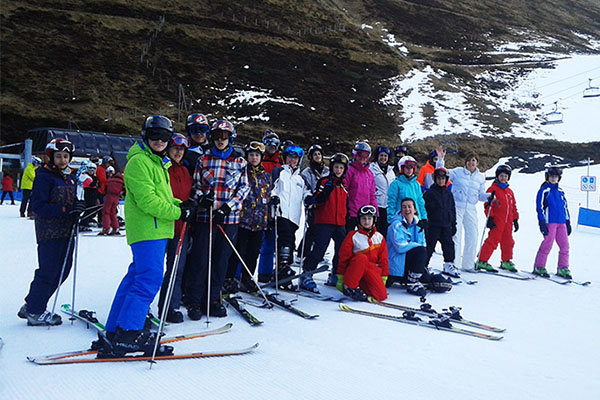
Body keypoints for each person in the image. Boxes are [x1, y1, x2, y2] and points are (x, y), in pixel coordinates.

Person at [101, 115, 188, 357]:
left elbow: (161, 196)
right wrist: (179, 211)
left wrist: (183, 202)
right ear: (145, 136)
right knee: (149, 279)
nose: (159, 141)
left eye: (164, 137)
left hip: (154, 228)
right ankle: (129, 333)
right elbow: (148, 201)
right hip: (149, 229)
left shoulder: (157, 162)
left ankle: (115, 329)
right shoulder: (140, 162)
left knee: (135, 277)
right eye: (154, 136)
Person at [186, 120, 249, 320]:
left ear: (230, 137)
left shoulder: (239, 162)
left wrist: (229, 207)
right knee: (201, 259)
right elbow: (196, 186)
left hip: (228, 219)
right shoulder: (203, 159)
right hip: (207, 218)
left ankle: (213, 299)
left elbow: (244, 188)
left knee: (221, 261)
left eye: (224, 136)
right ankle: (195, 301)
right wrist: (202, 199)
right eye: (216, 136)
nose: (220, 140)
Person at [18, 138, 83, 326]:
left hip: (67, 231)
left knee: (63, 271)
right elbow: (38, 206)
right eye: (59, 156)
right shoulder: (44, 176)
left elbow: (73, 200)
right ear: (51, 157)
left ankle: (32, 303)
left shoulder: (69, 176)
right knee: (49, 271)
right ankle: (36, 310)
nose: (63, 160)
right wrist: (65, 210)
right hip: (49, 232)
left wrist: (79, 208)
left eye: (66, 156)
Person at [224, 141, 271, 293]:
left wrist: (269, 217)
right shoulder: (241, 172)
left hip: (259, 222)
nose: (254, 158)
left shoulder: (266, 176)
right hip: (243, 220)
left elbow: (268, 196)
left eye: (257, 155)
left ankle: (247, 278)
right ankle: (229, 278)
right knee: (238, 251)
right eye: (251, 155)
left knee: (253, 253)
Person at [157, 133, 193, 323]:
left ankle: (170, 306)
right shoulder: (162, 168)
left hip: (181, 227)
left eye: (181, 149)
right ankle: (141, 307)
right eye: (175, 148)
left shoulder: (185, 171)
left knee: (175, 270)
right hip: (161, 226)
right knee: (152, 271)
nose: (178, 152)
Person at [434, 150, 488, 276]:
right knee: (456, 235)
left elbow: (480, 195)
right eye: (469, 161)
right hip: (456, 206)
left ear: (477, 163)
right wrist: (440, 160)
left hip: (470, 208)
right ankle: (455, 263)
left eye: (473, 161)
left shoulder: (480, 177)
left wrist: (489, 197)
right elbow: (442, 173)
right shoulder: (458, 172)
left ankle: (468, 264)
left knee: (473, 235)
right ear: (465, 163)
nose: (471, 163)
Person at [301, 153, 349, 292]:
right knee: (320, 249)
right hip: (324, 221)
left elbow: (346, 203)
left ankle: (335, 273)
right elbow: (317, 199)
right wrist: (325, 191)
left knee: (341, 250)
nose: (338, 170)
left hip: (339, 222)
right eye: (336, 167)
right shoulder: (324, 181)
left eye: (341, 168)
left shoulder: (344, 185)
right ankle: (307, 273)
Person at [268, 143, 311, 289]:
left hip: (294, 215)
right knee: (286, 238)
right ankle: (283, 267)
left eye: (295, 158)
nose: (292, 160)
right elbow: (272, 188)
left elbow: (307, 192)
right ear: (285, 158)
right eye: (290, 157)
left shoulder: (301, 178)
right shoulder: (279, 172)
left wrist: (309, 198)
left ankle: (281, 274)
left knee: (290, 241)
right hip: (281, 212)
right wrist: (273, 197)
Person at [336, 205, 389, 301]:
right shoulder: (353, 236)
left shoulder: (379, 237)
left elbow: (383, 260)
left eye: (369, 218)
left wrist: (383, 277)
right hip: (354, 271)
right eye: (363, 218)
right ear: (359, 220)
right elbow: (343, 258)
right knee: (362, 258)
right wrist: (340, 277)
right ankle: (350, 287)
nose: (366, 221)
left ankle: (362, 290)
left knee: (381, 296)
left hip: (370, 270)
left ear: (374, 220)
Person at [475, 165, 519, 272]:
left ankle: (506, 260)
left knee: (508, 241)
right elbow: (487, 205)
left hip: (508, 222)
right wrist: (490, 217)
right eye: (501, 176)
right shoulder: (493, 189)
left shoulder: (509, 192)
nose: (503, 178)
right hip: (497, 221)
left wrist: (515, 219)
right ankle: (482, 260)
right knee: (493, 240)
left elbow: (513, 206)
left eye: (505, 176)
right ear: (497, 176)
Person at [533, 166, 572, 279]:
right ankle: (539, 266)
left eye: (556, 177)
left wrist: (568, 221)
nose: (553, 179)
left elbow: (565, 207)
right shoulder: (544, 190)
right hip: (550, 222)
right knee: (547, 244)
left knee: (565, 246)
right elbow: (539, 207)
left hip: (561, 222)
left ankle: (563, 267)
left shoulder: (561, 191)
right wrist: (541, 221)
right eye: (551, 176)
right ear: (547, 177)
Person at [256, 129, 282, 282]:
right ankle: (239, 275)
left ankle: (264, 273)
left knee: (270, 242)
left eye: (275, 143)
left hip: (274, 204)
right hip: (258, 202)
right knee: (251, 241)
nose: (271, 146)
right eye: (268, 143)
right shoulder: (258, 158)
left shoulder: (281, 161)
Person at [423, 168, 457, 274]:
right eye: (439, 178)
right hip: (433, 225)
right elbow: (424, 209)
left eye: (443, 178)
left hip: (446, 224)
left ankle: (448, 264)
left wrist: (453, 223)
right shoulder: (429, 193)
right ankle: (423, 265)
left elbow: (452, 208)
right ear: (435, 179)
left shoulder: (448, 193)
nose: (441, 181)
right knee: (429, 246)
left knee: (449, 245)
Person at [299, 144, 329, 259]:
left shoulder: (327, 171)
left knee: (321, 230)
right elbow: (304, 186)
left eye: (319, 154)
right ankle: (303, 252)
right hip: (312, 203)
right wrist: (309, 197)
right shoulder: (307, 172)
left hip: (324, 204)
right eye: (315, 154)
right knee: (312, 228)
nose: (317, 156)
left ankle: (316, 252)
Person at [387, 156, 428, 231]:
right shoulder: (396, 184)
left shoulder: (416, 184)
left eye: (411, 168)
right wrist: (390, 219)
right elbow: (391, 203)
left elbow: (420, 202)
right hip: (401, 220)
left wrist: (423, 217)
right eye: (407, 168)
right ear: (402, 168)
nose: (409, 170)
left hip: (415, 219)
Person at [345, 141, 377, 232]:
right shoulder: (350, 170)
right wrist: (346, 210)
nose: (362, 158)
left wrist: (375, 212)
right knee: (348, 239)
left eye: (365, 155)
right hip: (351, 213)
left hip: (365, 214)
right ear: (355, 155)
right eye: (360, 155)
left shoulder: (369, 174)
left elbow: (372, 195)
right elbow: (344, 190)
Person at [369, 146, 396, 237]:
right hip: (377, 204)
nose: (383, 158)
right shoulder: (372, 169)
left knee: (385, 231)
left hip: (388, 205)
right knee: (375, 230)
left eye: (385, 156)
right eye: (381, 155)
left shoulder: (391, 171)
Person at [100, 166, 125, 235]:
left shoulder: (111, 181)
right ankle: (115, 228)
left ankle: (106, 228)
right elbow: (125, 191)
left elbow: (105, 189)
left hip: (109, 196)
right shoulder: (122, 182)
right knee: (113, 212)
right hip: (116, 197)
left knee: (106, 212)